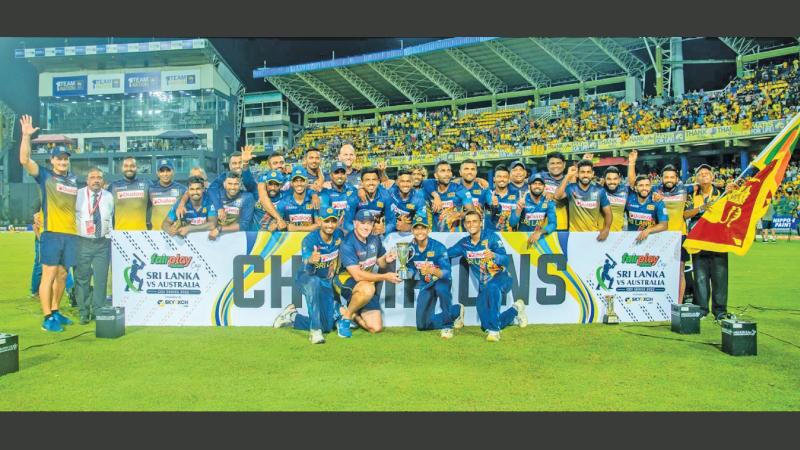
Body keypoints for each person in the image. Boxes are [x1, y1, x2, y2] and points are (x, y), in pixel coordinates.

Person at [19, 114, 78, 332]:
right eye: (58, 159)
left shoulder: (72, 179)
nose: (62, 162)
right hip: (51, 233)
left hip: (70, 234)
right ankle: (46, 318)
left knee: (63, 275)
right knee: (49, 274)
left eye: (65, 159)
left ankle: (55, 310)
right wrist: (26, 136)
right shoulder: (44, 176)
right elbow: (24, 160)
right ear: (52, 161)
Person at [447, 210, 527, 342]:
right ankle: (516, 310)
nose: (471, 224)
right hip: (485, 287)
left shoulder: (492, 237)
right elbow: (446, 253)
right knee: (485, 326)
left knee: (492, 288)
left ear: (480, 223)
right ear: (465, 225)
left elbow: (506, 260)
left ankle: (495, 332)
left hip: (502, 279)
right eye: (468, 222)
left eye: (474, 221)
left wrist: (494, 256)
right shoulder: (464, 244)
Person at [273, 208, 345, 343]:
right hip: (305, 277)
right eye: (326, 221)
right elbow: (306, 260)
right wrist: (311, 259)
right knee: (314, 282)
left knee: (327, 327)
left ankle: (292, 317)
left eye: (333, 221)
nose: (330, 225)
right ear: (319, 221)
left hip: (325, 282)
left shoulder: (339, 235)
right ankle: (315, 331)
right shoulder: (310, 239)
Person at [632, 153, 692, 303]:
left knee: (679, 272)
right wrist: (632, 163)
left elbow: (704, 185)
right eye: (666, 177)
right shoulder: (655, 190)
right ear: (661, 178)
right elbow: (635, 184)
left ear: (677, 178)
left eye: (672, 177)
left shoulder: (685, 189)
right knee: (656, 269)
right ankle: (657, 301)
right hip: (659, 235)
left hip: (679, 235)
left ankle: (678, 303)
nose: (669, 180)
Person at [334, 209, 402, 334]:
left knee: (375, 328)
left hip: (366, 283)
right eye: (363, 223)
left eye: (369, 223)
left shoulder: (375, 239)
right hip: (346, 280)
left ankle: (348, 312)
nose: (366, 227)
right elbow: (357, 275)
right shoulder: (347, 243)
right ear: (355, 223)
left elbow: (380, 262)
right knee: (368, 288)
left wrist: (387, 259)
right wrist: (385, 276)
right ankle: (346, 319)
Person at [406, 215, 464, 339]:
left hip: (441, 281)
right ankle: (456, 311)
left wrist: (432, 270)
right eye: (416, 228)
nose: (420, 231)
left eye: (423, 228)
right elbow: (411, 269)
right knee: (422, 325)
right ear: (412, 231)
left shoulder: (438, 247)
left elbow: (447, 273)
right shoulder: (409, 249)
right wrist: (403, 274)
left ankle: (447, 326)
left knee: (441, 289)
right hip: (426, 284)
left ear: (428, 230)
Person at [684, 164, 730, 320]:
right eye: (700, 174)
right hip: (698, 242)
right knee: (701, 278)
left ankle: (720, 312)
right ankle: (702, 310)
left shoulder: (722, 193)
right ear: (696, 178)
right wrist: (701, 208)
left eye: (707, 173)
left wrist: (733, 191)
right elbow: (685, 214)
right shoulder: (691, 195)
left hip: (718, 241)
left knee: (720, 278)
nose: (704, 175)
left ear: (712, 177)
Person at [74, 167, 114, 324]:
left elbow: (111, 217)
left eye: (99, 177)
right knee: (82, 278)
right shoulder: (77, 195)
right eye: (93, 177)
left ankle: (98, 310)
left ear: (103, 180)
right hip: (82, 241)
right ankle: (83, 311)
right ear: (87, 180)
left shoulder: (109, 196)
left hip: (102, 242)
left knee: (101, 278)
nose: (96, 180)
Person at [554, 159, 612, 241]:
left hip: (594, 235)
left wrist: (606, 229)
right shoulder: (571, 188)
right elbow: (557, 196)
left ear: (592, 174)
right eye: (582, 172)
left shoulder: (599, 190)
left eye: (588, 172)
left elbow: (608, 213)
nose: (585, 175)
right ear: (577, 174)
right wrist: (567, 176)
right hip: (574, 235)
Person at [421, 161, 475, 232]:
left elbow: (472, 212)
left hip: (455, 235)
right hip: (435, 234)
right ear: (436, 175)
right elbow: (424, 182)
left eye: (449, 170)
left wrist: (459, 214)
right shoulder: (431, 187)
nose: (447, 174)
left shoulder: (460, 190)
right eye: (443, 171)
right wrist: (436, 196)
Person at [510, 172, 557, 247]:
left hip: (539, 239)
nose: (537, 186)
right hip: (522, 239)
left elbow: (553, 224)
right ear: (529, 186)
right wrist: (518, 210)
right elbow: (512, 223)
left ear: (544, 187)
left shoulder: (549, 202)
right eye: (534, 183)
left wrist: (539, 232)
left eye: (540, 184)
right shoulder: (521, 200)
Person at [624, 175, 668, 242]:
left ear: (650, 187)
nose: (644, 188)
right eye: (641, 185)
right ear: (635, 187)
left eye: (647, 185)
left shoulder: (657, 202)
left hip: (652, 240)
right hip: (632, 240)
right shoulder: (628, 200)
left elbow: (664, 225)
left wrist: (648, 230)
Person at [110, 156, 149, 231]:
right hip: (120, 235)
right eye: (126, 166)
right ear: (122, 168)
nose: (129, 169)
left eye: (132, 166)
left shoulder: (146, 184)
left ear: (137, 167)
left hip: (142, 235)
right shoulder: (113, 186)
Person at [384, 168, 427, 234]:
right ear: (397, 182)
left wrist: (407, 227)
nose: (405, 184)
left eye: (408, 181)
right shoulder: (391, 191)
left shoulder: (418, 198)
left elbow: (422, 221)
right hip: (390, 228)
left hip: (408, 231)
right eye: (402, 181)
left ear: (412, 183)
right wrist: (361, 189)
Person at [147, 159, 186, 231]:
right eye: (162, 171)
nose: (165, 174)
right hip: (156, 234)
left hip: (175, 233)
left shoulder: (182, 190)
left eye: (168, 170)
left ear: (173, 172)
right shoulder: (150, 189)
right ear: (157, 173)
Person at [277, 167, 320, 232]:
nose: (299, 184)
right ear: (291, 183)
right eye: (295, 181)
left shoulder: (314, 201)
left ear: (307, 182)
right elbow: (277, 223)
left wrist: (297, 228)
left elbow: (319, 225)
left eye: (302, 180)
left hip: (310, 239)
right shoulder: (284, 202)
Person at [319, 161, 358, 230]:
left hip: (351, 233)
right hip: (332, 232)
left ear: (346, 175)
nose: (340, 176)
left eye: (342, 173)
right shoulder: (325, 192)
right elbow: (324, 215)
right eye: (336, 173)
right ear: (331, 175)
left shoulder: (353, 190)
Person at [481, 164, 520, 232]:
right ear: (494, 179)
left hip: (510, 237)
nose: (502, 179)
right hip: (490, 237)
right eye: (499, 176)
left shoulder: (517, 194)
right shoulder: (486, 193)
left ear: (509, 180)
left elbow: (515, 221)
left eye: (505, 177)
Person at [542, 152, 569, 231]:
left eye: (558, 163)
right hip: (540, 224)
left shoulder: (569, 181)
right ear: (547, 165)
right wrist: (543, 193)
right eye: (552, 163)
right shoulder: (540, 177)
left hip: (561, 224)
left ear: (564, 164)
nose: (555, 166)